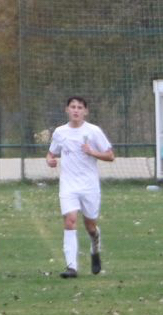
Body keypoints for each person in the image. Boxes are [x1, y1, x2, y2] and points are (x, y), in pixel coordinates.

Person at [46, 96, 115, 278]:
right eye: (73, 107)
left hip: (89, 186)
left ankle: (95, 247)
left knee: (90, 226)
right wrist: (50, 160)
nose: (76, 110)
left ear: (86, 111)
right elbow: (51, 152)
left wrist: (92, 152)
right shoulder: (60, 132)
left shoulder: (93, 131)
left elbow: (110, 155)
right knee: (70, 220)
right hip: (68, 185)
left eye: (79, 107)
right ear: (67, 110)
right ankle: (71, 267)